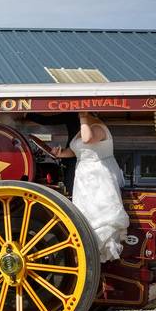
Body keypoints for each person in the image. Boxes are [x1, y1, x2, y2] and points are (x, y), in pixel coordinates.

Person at [51, 111, 129, 261]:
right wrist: (59, 153)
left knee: (100, 215)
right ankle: (88, 252)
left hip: (99, 177)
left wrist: (83, 117)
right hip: (83, 178)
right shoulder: (83, 128)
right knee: (85, 213)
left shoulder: (98, 128)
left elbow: (87, 139)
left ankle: (100, 253)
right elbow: (76, 152)